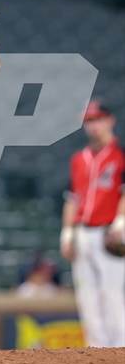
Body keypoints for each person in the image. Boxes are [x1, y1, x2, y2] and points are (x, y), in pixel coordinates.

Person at [60, 100, 125, 347]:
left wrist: (120, 224)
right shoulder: (79, 159)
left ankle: (119, 348)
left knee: (112, 294)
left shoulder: (120, 155)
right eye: (89, 121)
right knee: (86, 296)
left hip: (109, 232)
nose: (93, 125)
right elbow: (71, 198)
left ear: (110, 120)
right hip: (82, 233)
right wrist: (67, 234)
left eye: (97, 119)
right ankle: (95, 350)